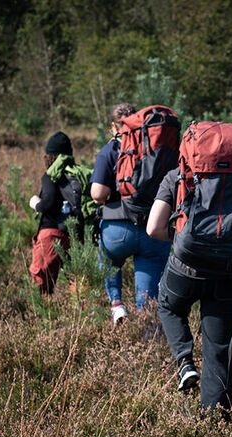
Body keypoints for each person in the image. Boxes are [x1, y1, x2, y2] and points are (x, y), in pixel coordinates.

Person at [146, 123, 232, 409]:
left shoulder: (177, 177)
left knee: (169, 306)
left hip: (186, 266)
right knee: (219, 348)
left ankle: (185, 361)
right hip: (227, 272)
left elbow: (153, 228)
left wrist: (182, 239)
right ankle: (216, 418)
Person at [90, 103, 172, 324]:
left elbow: (98, 194)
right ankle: (149, 340)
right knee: (148, 300)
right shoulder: (156, 150)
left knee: (107, 260)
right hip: (153, 231)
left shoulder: (109, 151)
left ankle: (116, 304)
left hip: (117, 232)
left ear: (113, 127)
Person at [28, 131, 75, 294]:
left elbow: (49, 204)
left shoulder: (50, 176)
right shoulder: (76, 175)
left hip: (51, 236)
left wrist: (36, 204)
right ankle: (83, 319)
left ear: (50, 156)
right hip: (75, 236)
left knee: (41, 290)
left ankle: (44, 319)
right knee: (80, 291)